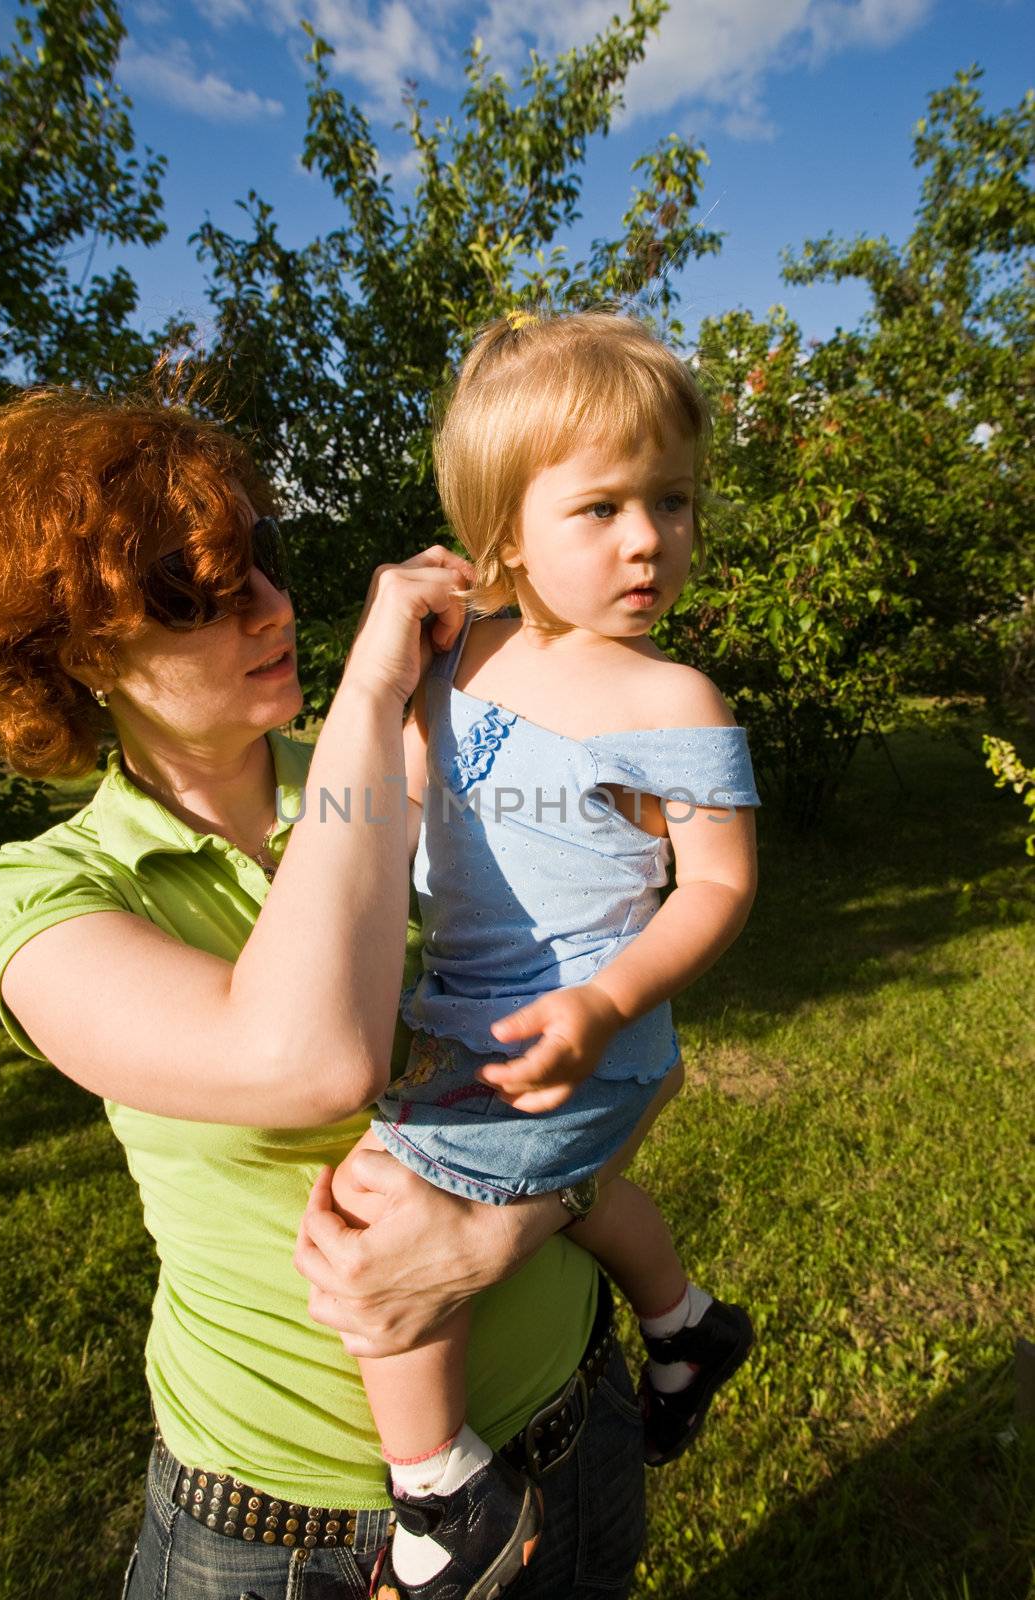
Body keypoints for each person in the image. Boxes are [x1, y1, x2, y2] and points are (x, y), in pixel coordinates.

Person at [0, 387, 649, 1600]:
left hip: (569, 1415)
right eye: (200, 592)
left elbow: (633, 1024)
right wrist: (374, 700)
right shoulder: (28, 897)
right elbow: (307, 1056)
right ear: (78, 652)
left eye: (263, 562)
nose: (275, 608)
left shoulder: (422, 770)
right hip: (281, 1532)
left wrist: (508, 1223)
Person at [324, 310, 762, 1600]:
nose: (648, 539)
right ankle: (685, 1329)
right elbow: (418, 783)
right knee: (564, 1202)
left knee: (377, 1208)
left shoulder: (668, 698)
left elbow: (721, 884)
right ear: (505, 530)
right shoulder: (464, 649)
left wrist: (606, 998)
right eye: (603, 507)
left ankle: (442, 1495)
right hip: (478, 1012)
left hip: (582, 1028)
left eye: (671, 501)